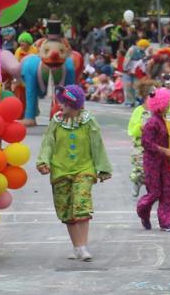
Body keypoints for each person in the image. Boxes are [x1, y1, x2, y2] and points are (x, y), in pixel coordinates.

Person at [36, 85, 112, 261]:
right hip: (60, 170)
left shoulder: (88, 121)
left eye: (64, 103)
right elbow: (48, 142)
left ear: (74, 105)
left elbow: (97, 143)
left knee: (81, 204)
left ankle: (84, 247)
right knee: (66, 210)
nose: (60, 106)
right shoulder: (56, 120)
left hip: (83, 169)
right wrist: (43, 161)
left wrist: (103, 167)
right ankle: (77, 247)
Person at [136, 88, 170, 231]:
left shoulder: (164, 121)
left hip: (165, 162)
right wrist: (163, 150)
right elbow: (146, 143)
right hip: (152, 162)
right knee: (154, 192)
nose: (169, 105)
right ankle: (143, 210)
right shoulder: (152, 123)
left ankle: (166, 223)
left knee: (167, 191)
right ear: (161, 104)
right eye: (167, 103)